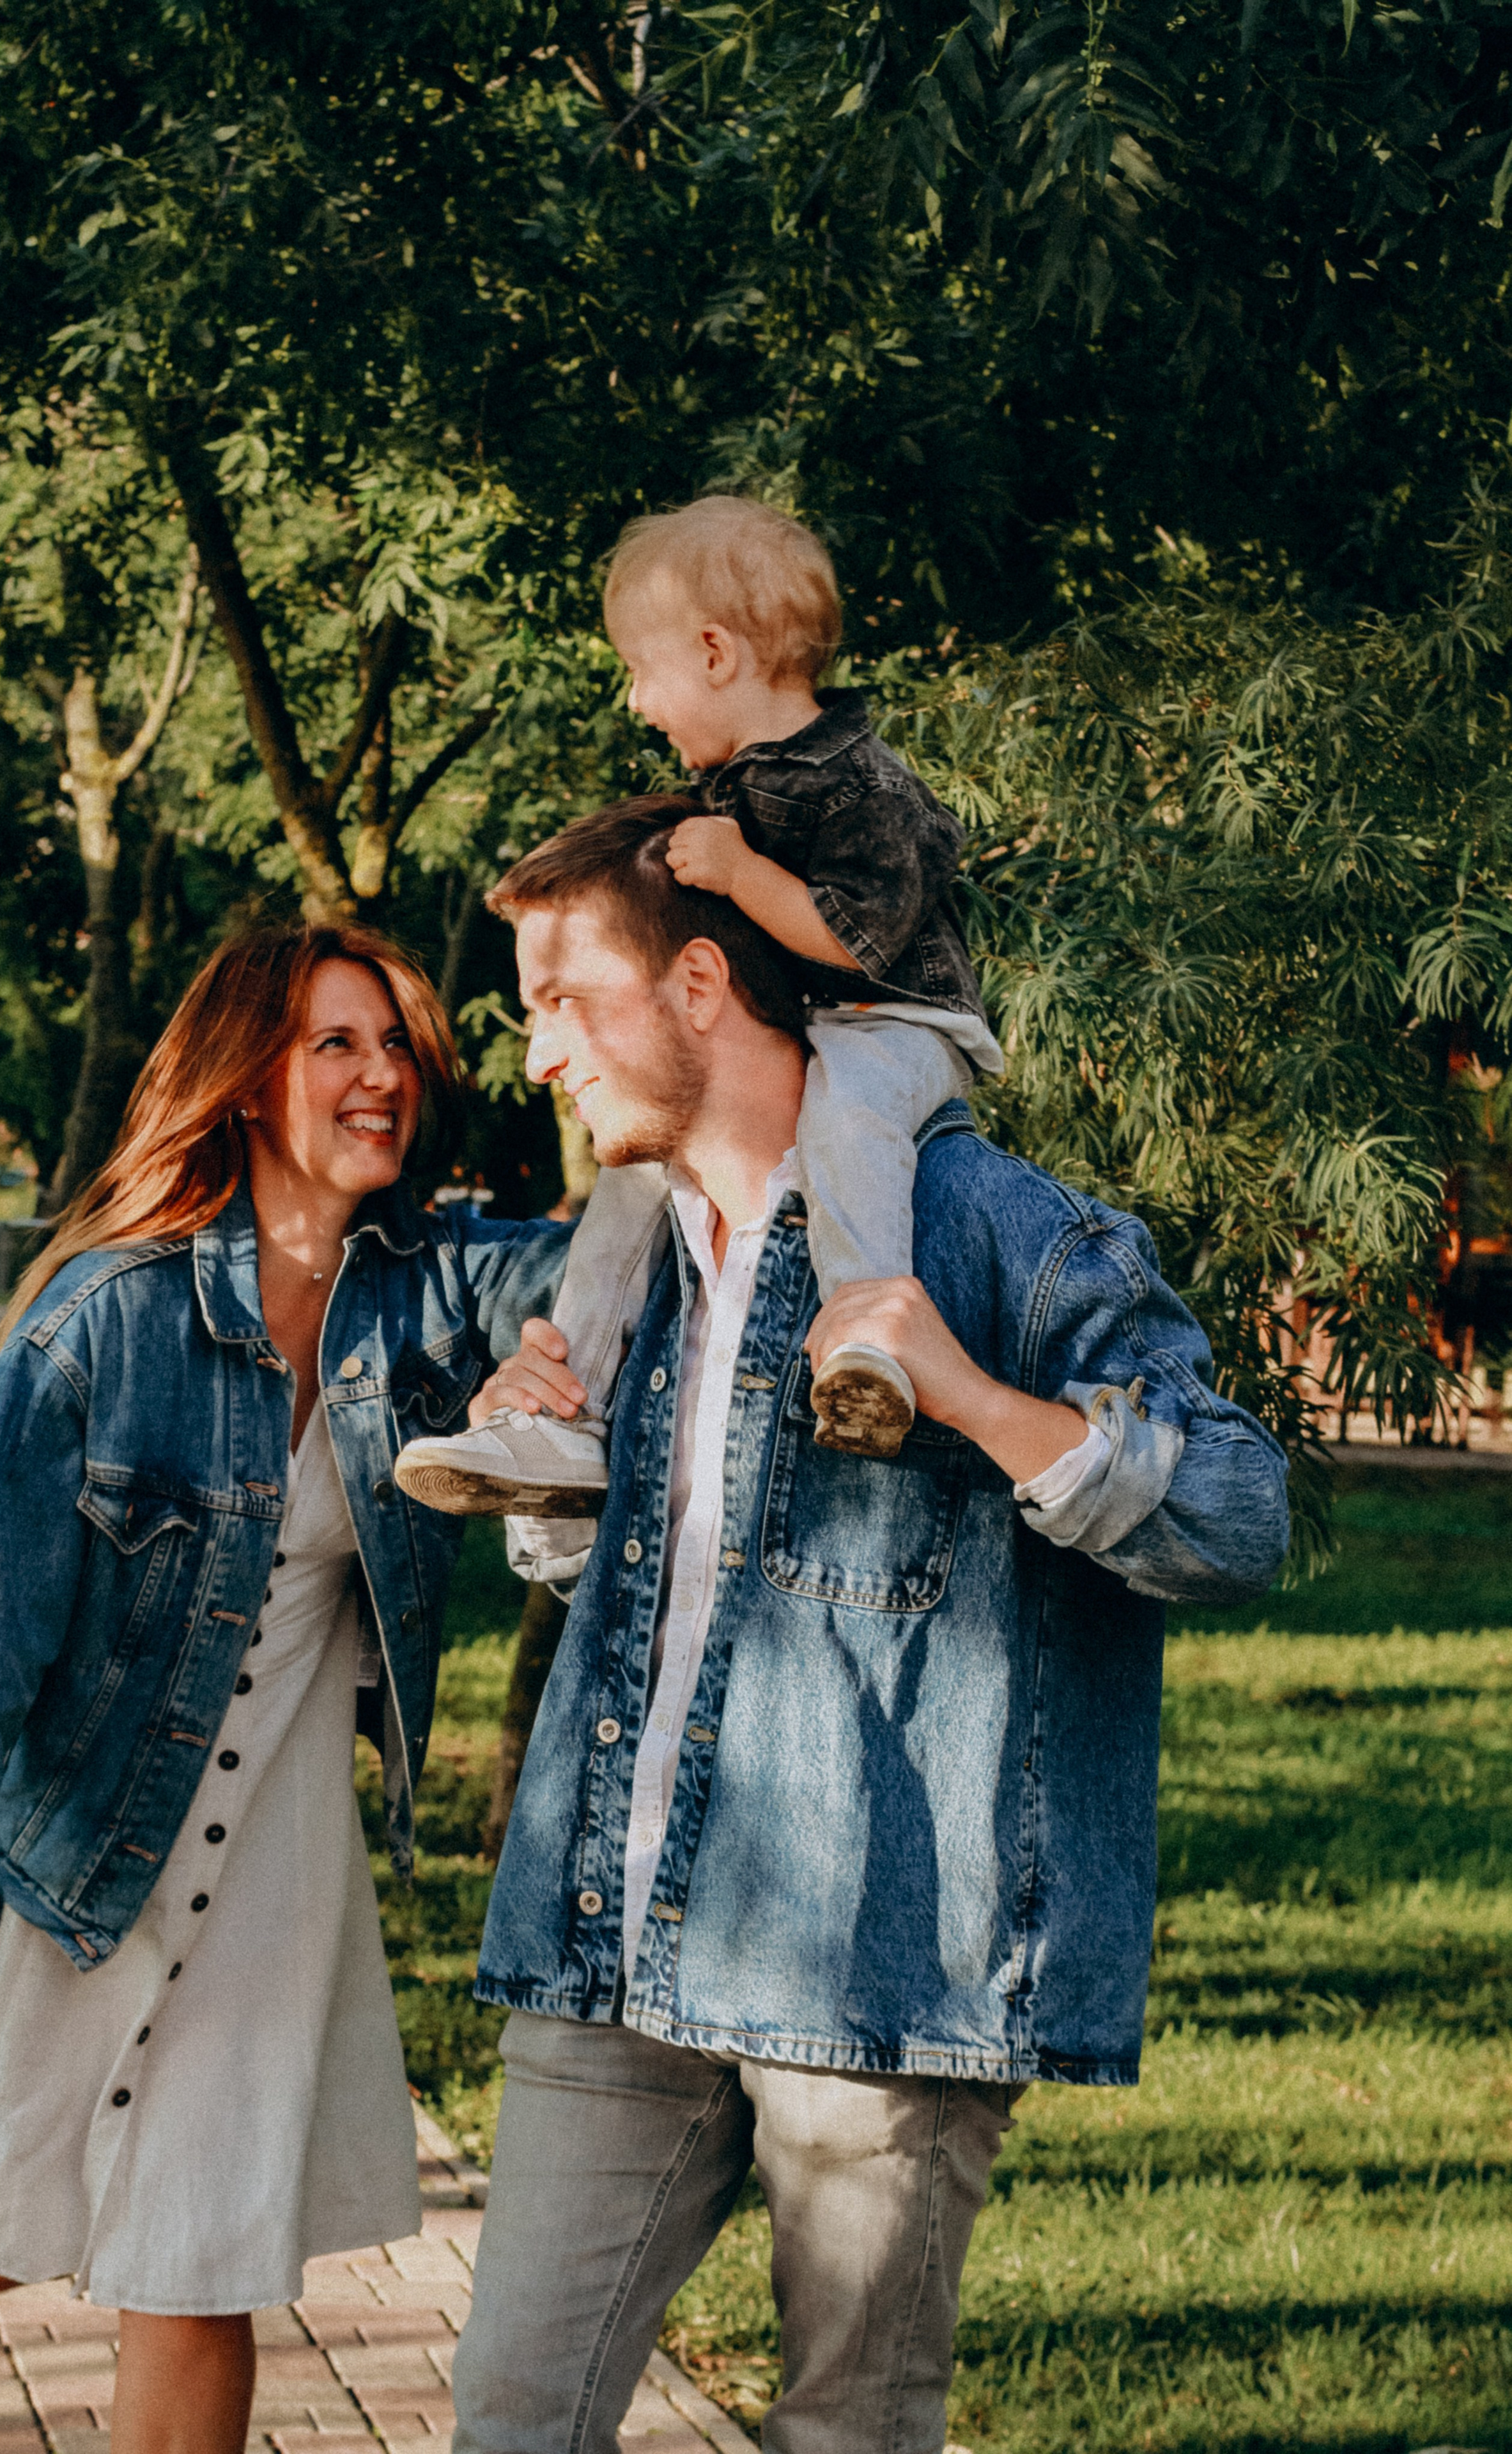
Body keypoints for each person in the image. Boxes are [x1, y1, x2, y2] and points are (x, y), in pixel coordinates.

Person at [437, 800, 1290, 2454]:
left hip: (877, 1968)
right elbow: (672, 1585)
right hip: (610, 1941)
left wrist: (972, 1399)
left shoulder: (988, 1233)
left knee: (849, 2428)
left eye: (564, 1000)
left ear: (700, 985)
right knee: (512, 2413)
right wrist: (552, 1467)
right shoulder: (635, 1266)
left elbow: (1240, 1515)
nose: (537, 1056)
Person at [0, 924, 566, 2454]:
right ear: (251, 1078)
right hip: (84, 1828)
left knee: (197, 2253)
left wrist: (661, 1127)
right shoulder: (105, 1324)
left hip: (275, 1866)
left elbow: (604, 1261)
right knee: (21, 2182)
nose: (381, 1074)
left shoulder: (419, 1296)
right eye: (337, 1044)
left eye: (394, 1045)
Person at [393, 495, 1003, 1527]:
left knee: (848, 1117)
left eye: (640, 669)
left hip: (903, 1025)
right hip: (823, 1026)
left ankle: (867, 1339)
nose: (635, 703)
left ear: (716, 651)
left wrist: (741, 871)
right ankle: (567, 1412)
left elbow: (862, 938)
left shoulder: (859, 782)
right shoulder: (733, 789)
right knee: (630, 1182)